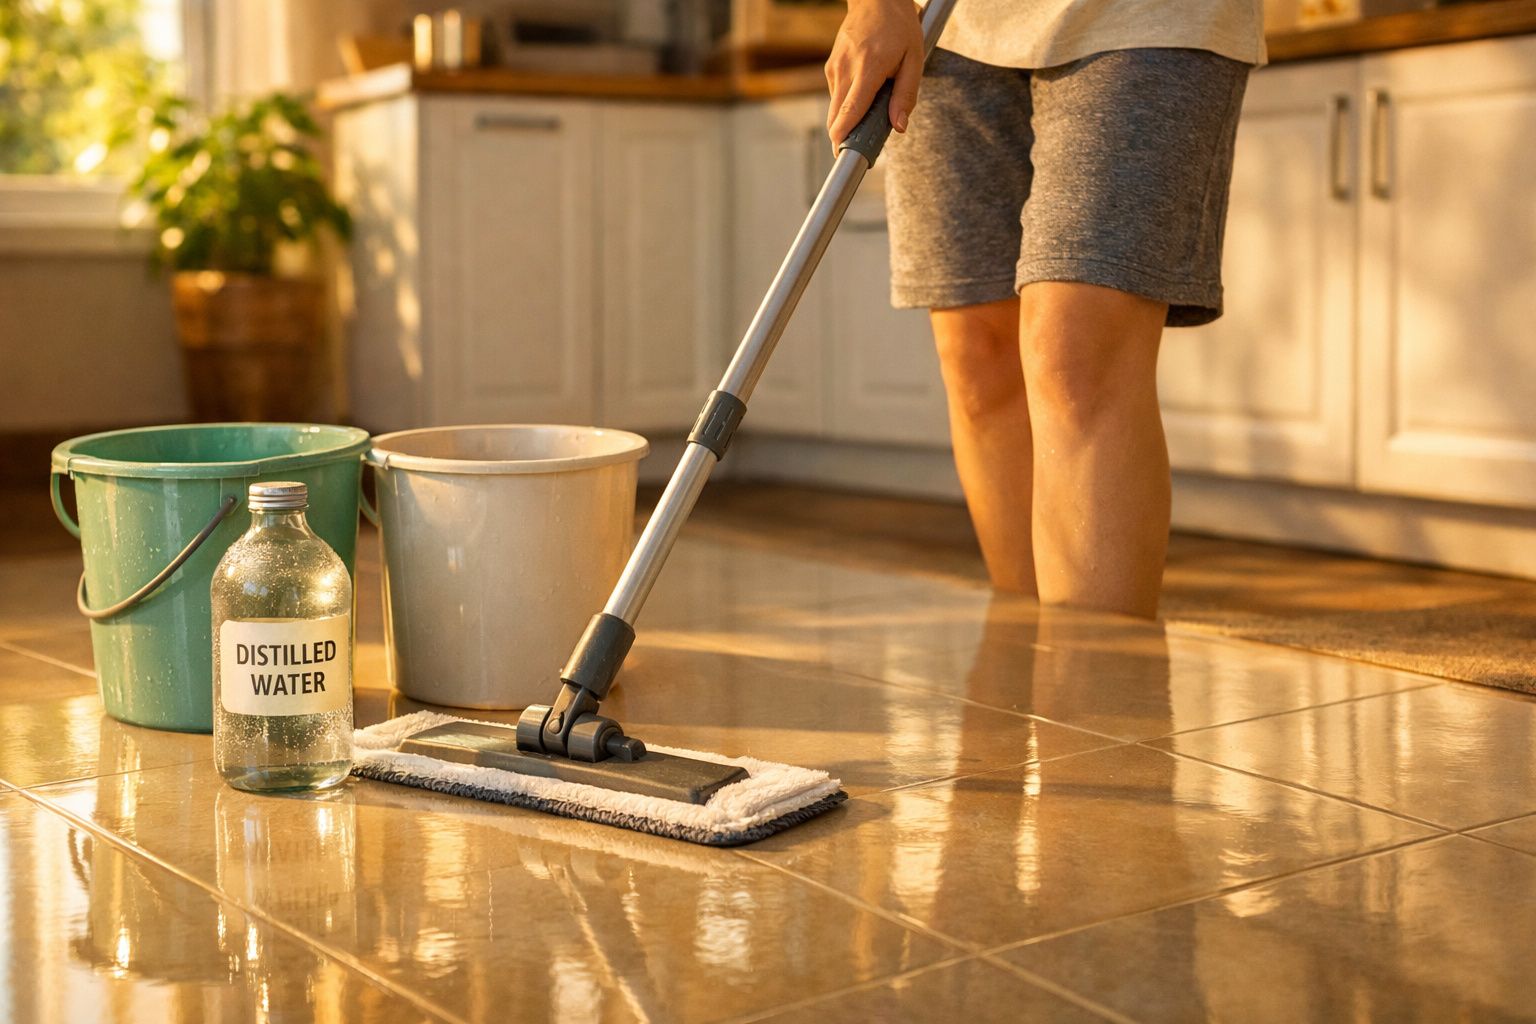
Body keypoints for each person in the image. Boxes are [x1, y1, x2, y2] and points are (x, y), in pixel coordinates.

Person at [826, 0, 1265, 619]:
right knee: (980, 358)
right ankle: (1028, 674)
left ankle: (1094, 696)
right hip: (945, 26)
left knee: (1074, 353)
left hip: (1140, 16)